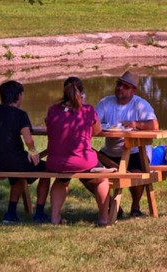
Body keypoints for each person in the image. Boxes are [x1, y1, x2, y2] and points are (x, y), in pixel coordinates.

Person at [45, 76, 109, 226]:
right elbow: (97, 130)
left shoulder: (53, 110)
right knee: (102, 178)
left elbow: (50, 126)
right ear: (81, 92)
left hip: (55, 162)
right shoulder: (87, 110)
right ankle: (103, 218)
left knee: (61, 180)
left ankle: (54, 218)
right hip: (82, 161)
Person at [0, 80, 51, 224]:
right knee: (47, 170)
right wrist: (33, 152)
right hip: (15, 162)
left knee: (18, 177)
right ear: (19, 96)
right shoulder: (20, 115)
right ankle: (39, 213)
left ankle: (11, 214)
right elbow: (28, 139)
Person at [96, 70, 158, 217]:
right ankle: (112, 205)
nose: (120, 88)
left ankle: (135, 208)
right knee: (86, 171)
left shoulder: (141, 105)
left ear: (133, 90)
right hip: (109, 153)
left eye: (125, 86)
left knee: (137, 174)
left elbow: (154, 125)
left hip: (136, 152)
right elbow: (93, 123)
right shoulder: (105, 102)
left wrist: (136, 124)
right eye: (119, 84)